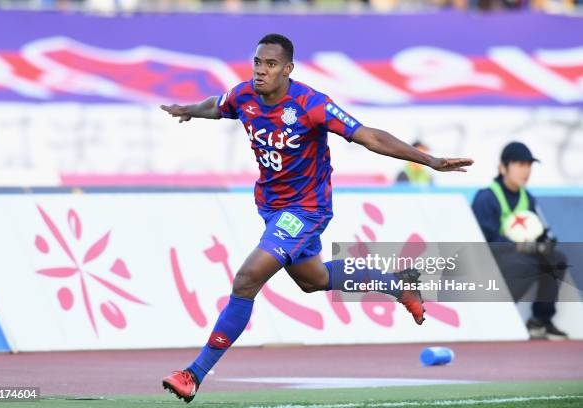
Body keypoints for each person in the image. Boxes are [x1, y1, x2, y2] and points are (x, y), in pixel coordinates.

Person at [160, 33, 473, 402]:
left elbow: (368, 136)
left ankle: (194, 373)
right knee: (314, 279)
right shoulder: (245, 94)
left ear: (288, 69)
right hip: (272, 207)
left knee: (246, 280)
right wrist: (189, 110)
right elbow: (219, 105)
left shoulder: (311, 104)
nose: (261, 71)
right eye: (258, 62)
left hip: (305, 209)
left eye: (271, 65)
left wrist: (430, 160)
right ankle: (399, 284)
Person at [472, 141, 568, 340]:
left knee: (556, 258)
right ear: (503, 167)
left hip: (523, 253)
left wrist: (545, 243)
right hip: (495, 257)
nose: (526, 171)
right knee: (525, 264)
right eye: (520, 165)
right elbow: (486, 239)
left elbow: (540, 231)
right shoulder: (487, 197)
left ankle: (541, 320)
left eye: (529, 165)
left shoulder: (528, 198)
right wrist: (522, 247)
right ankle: (499, 316)